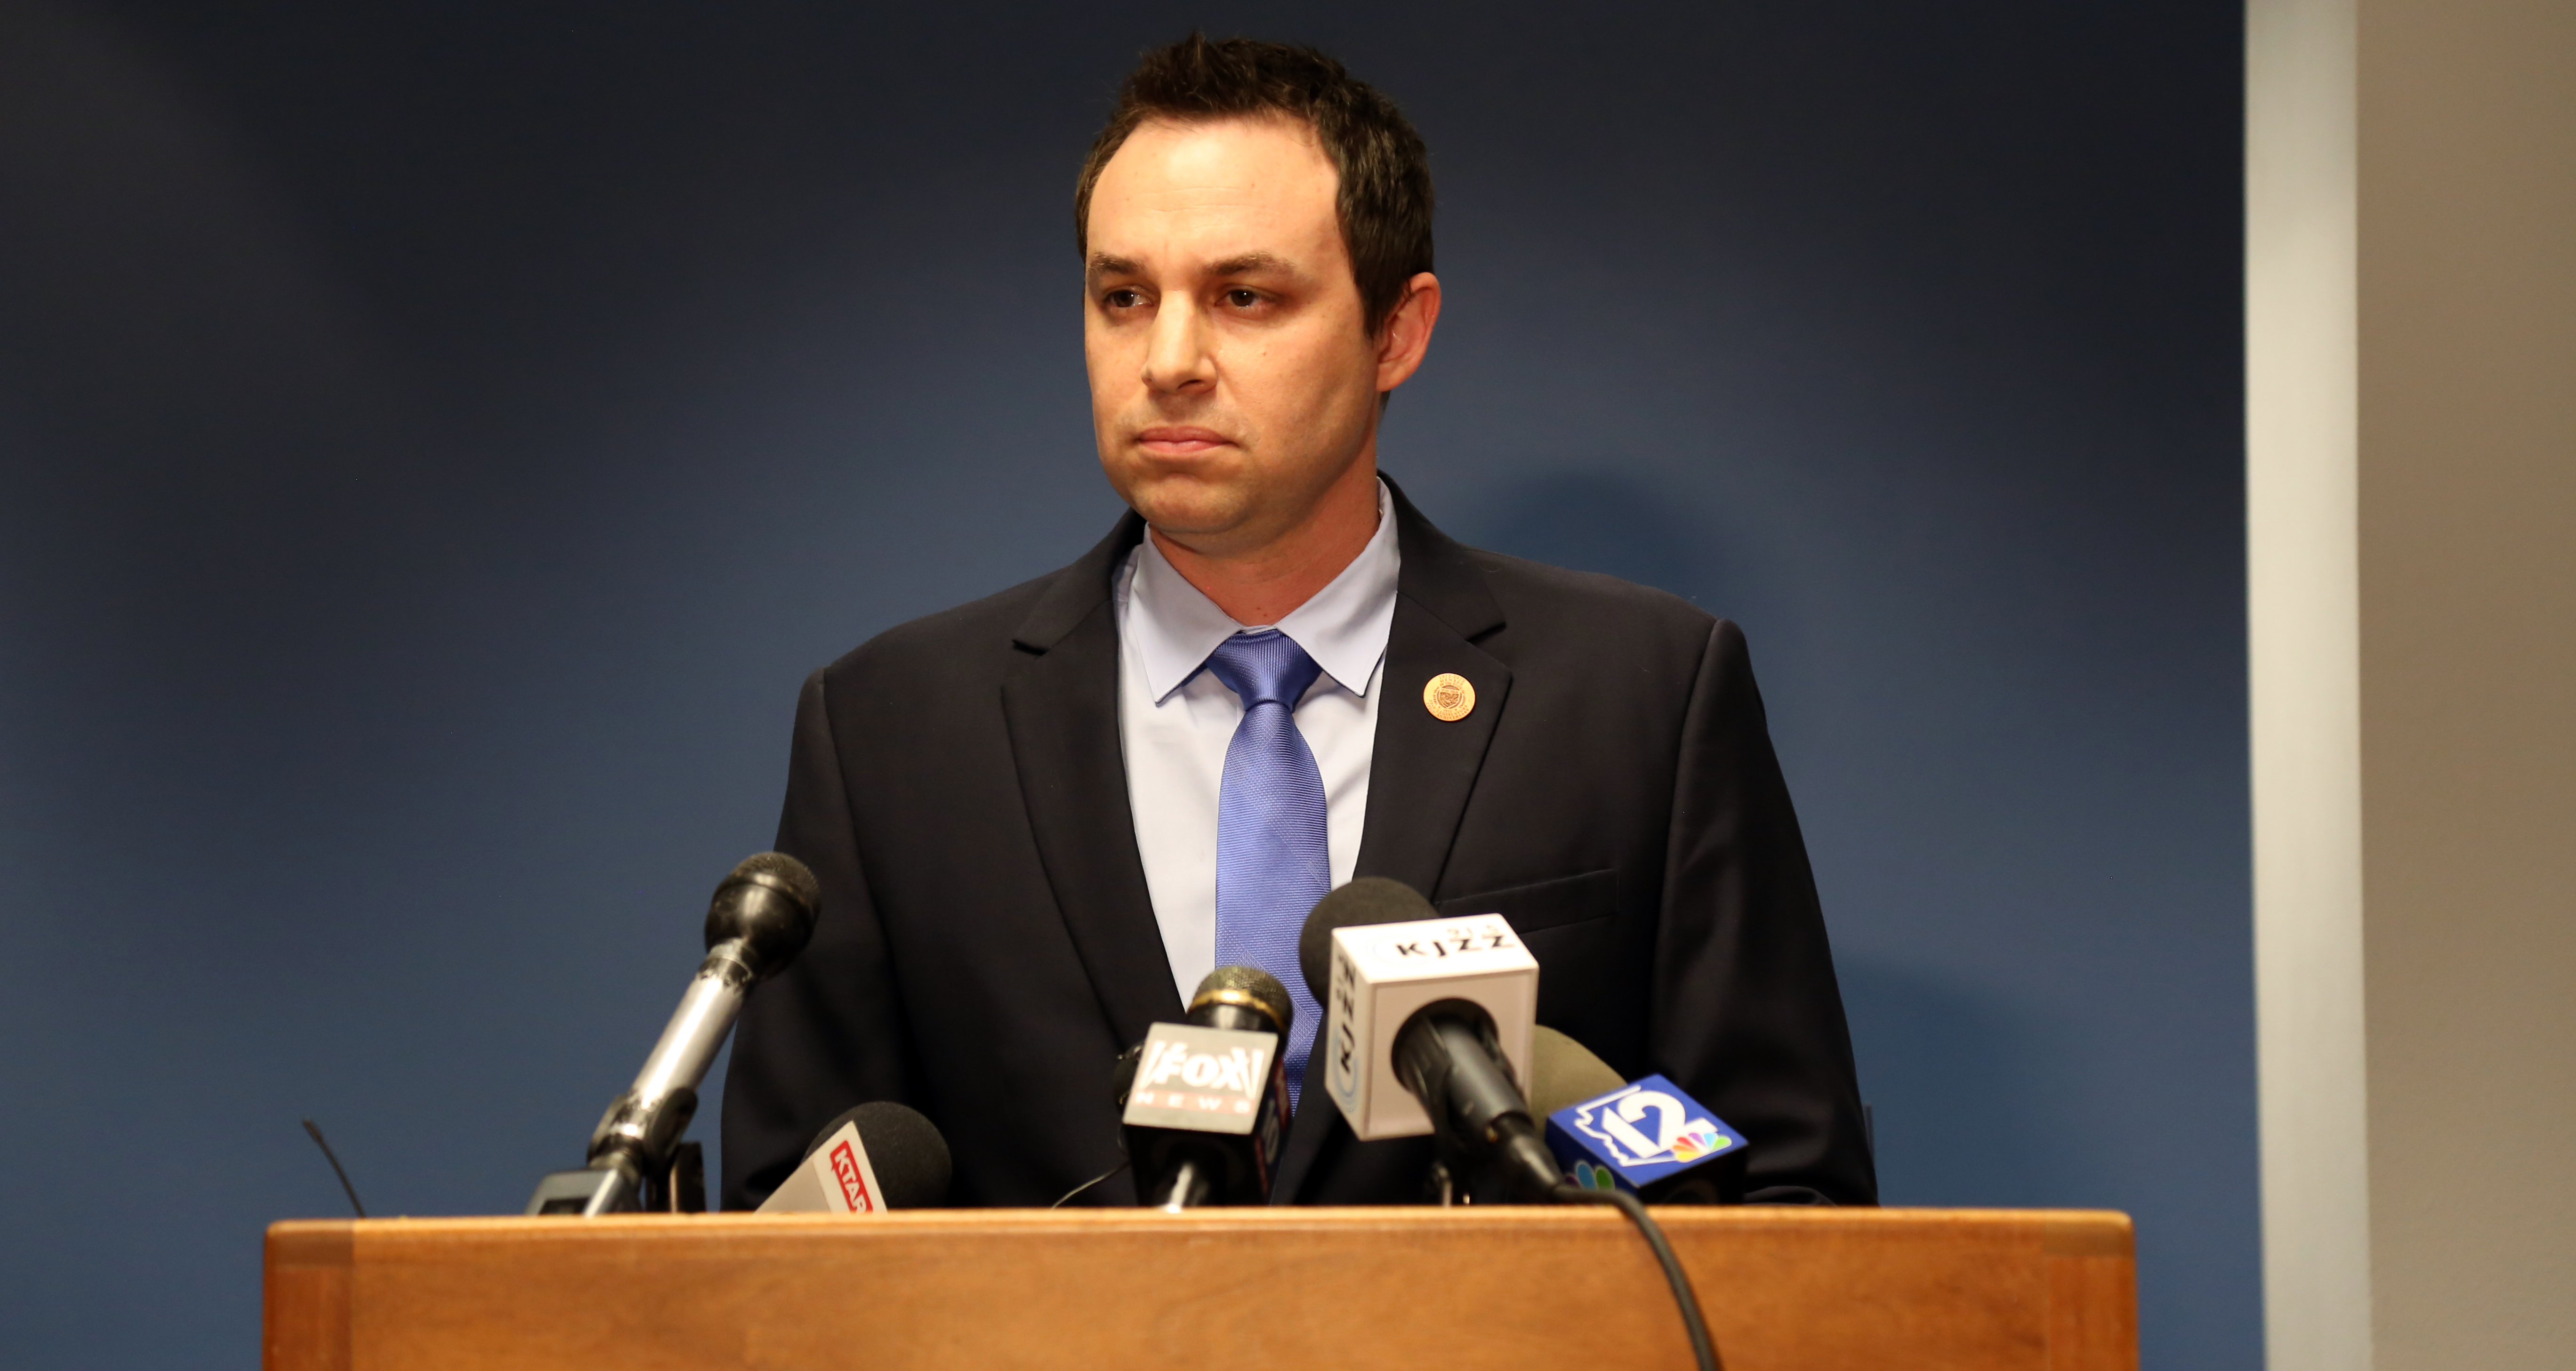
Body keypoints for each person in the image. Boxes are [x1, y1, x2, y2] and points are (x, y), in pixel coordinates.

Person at [721, 34, 1875, 1210]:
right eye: (1125, 297)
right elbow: (788, 1242)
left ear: (1397, 333)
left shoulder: (1644, 692)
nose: (1169, 360)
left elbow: (1790, 1198)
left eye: (1244, 297)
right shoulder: (891, 731)